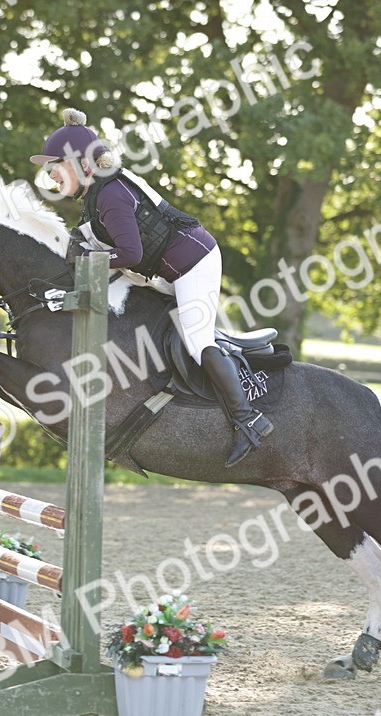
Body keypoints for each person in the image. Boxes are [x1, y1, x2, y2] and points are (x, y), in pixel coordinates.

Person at [30, 109, 273, 467]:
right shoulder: (94, 199)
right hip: (163, 271)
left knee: (196, 340)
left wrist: (84, 259)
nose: (50, 174)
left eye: (56, 166)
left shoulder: (111, 194)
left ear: (81, 163)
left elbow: (130, 253)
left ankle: (249, 421)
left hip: (194, 263)